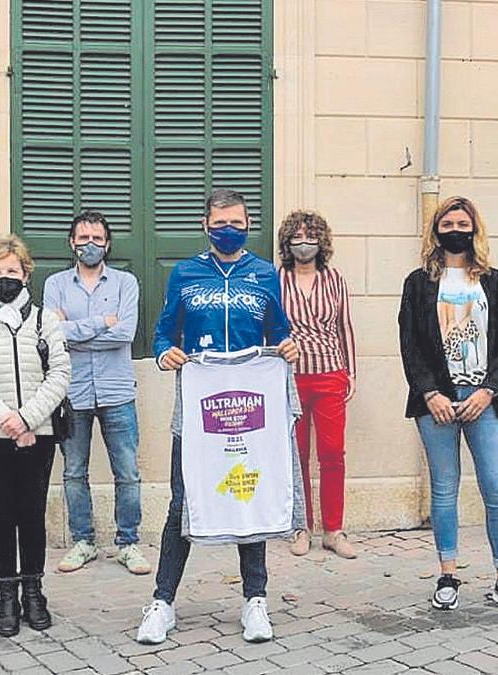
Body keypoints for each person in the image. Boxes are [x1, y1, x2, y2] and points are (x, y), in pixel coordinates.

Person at [135, 188, 299, 645]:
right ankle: (162, 603)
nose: (229, 229)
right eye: (220, 222)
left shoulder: (265, 273)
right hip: (200, 405)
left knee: (249, 494)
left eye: (238, 222)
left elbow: (281, 333)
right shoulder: (185, 273)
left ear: (249, 224)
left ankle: (256, 601)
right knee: (181, 502)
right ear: (205, 225)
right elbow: (164, 332)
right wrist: (165, 352)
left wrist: (289, 347)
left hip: (250, 406)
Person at [398, 195, 498, 616]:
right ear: (436, 230)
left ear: (475, 229)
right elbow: (410, 346)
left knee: (496, 490)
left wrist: (488, 390)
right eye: (448, 223)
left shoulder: (496, 282)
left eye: (463, 222)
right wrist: (430, 393)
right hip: (435, 402)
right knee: (443, 490)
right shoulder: (418, 283)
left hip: (484, 400)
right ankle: (448, 574)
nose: (456, 229)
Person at [0, 236, 71, 636]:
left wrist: (26, 419)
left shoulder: (45, 321)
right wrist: (5, 418)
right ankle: (6, 595)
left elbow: (59, 374)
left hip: (37, 433)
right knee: (1, 516)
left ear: (25, 274)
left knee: (31, 513)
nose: (4, 278)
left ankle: (34, 592)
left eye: (12, 271)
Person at [43, 211, 149, 575]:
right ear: (71, 242)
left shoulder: (125, 283)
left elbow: (125, 334)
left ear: (107, 243)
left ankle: (128, 542)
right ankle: (83, 541)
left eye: (97, 239)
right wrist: (102, 323)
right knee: (74, 471)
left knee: (128, 471)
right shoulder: (55, 284)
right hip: (71, 392)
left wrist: (74, 331)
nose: (90, 245)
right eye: (83, 238)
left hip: (117, 390)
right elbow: (52, 335)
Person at [276, 210, 358, 558]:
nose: (303, 242)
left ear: (321, 241)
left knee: (332, 455)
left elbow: (344, 326)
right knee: (296, 456)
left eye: (310, 236)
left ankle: (333, 530)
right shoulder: (276, 278)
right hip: (291, 377)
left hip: (330, 374)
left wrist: (350, 372)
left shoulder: (334, 278)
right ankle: (301, 528)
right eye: (297, 236)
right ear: (287, 242)